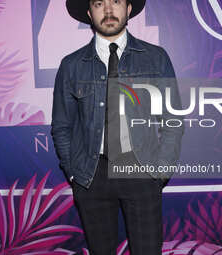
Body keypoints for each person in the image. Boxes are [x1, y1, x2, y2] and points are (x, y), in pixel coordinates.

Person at [51, 0, 184, 254]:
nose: (109, 10)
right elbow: (62, 127)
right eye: (99, 3)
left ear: (129, 9)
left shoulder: (156, 58)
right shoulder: (72, 65)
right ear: (89, 12)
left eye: (116, 1)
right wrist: (74, 175)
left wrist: (161, 171)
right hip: (91, 175)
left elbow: (172, 120)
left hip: (142, 170)